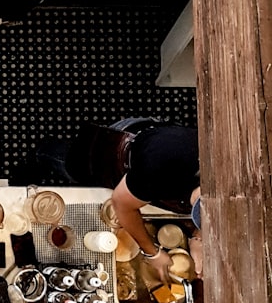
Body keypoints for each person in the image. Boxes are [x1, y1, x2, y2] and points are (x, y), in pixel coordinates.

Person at [22, 118, 202, 282]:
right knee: (70, 164)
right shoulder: (164, 165)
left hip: (145, 169)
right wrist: (152, 253)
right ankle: (39, 152)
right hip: (117, 152)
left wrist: (198, 238)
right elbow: (121, 204)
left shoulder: (226, 185)